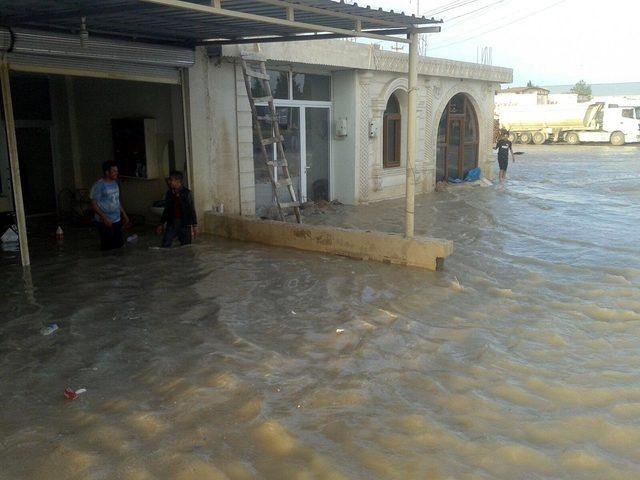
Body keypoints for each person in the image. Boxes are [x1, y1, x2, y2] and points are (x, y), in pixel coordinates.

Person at [90, 161, 130, 250]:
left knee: (119, 245)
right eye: (114, 171)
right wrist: (104, 217)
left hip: (116, 219)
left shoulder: (115, 184)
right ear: (107, 172)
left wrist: (124, 214)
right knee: (108, 248)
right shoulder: (99, 185)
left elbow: (117, 201)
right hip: (104, 221)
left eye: (117, 171)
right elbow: (94, 204)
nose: (117, 173)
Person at [156, 171, 198, 247]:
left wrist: (194, 226)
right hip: (172, 223)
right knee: (165, 245)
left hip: (184, 224)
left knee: (186, 247)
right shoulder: (169, 193)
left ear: (178, 181)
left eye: (171, 180)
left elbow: (191, 210)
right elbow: (167, 210)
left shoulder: (186, 193)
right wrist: (161, 224)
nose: (169, 182)